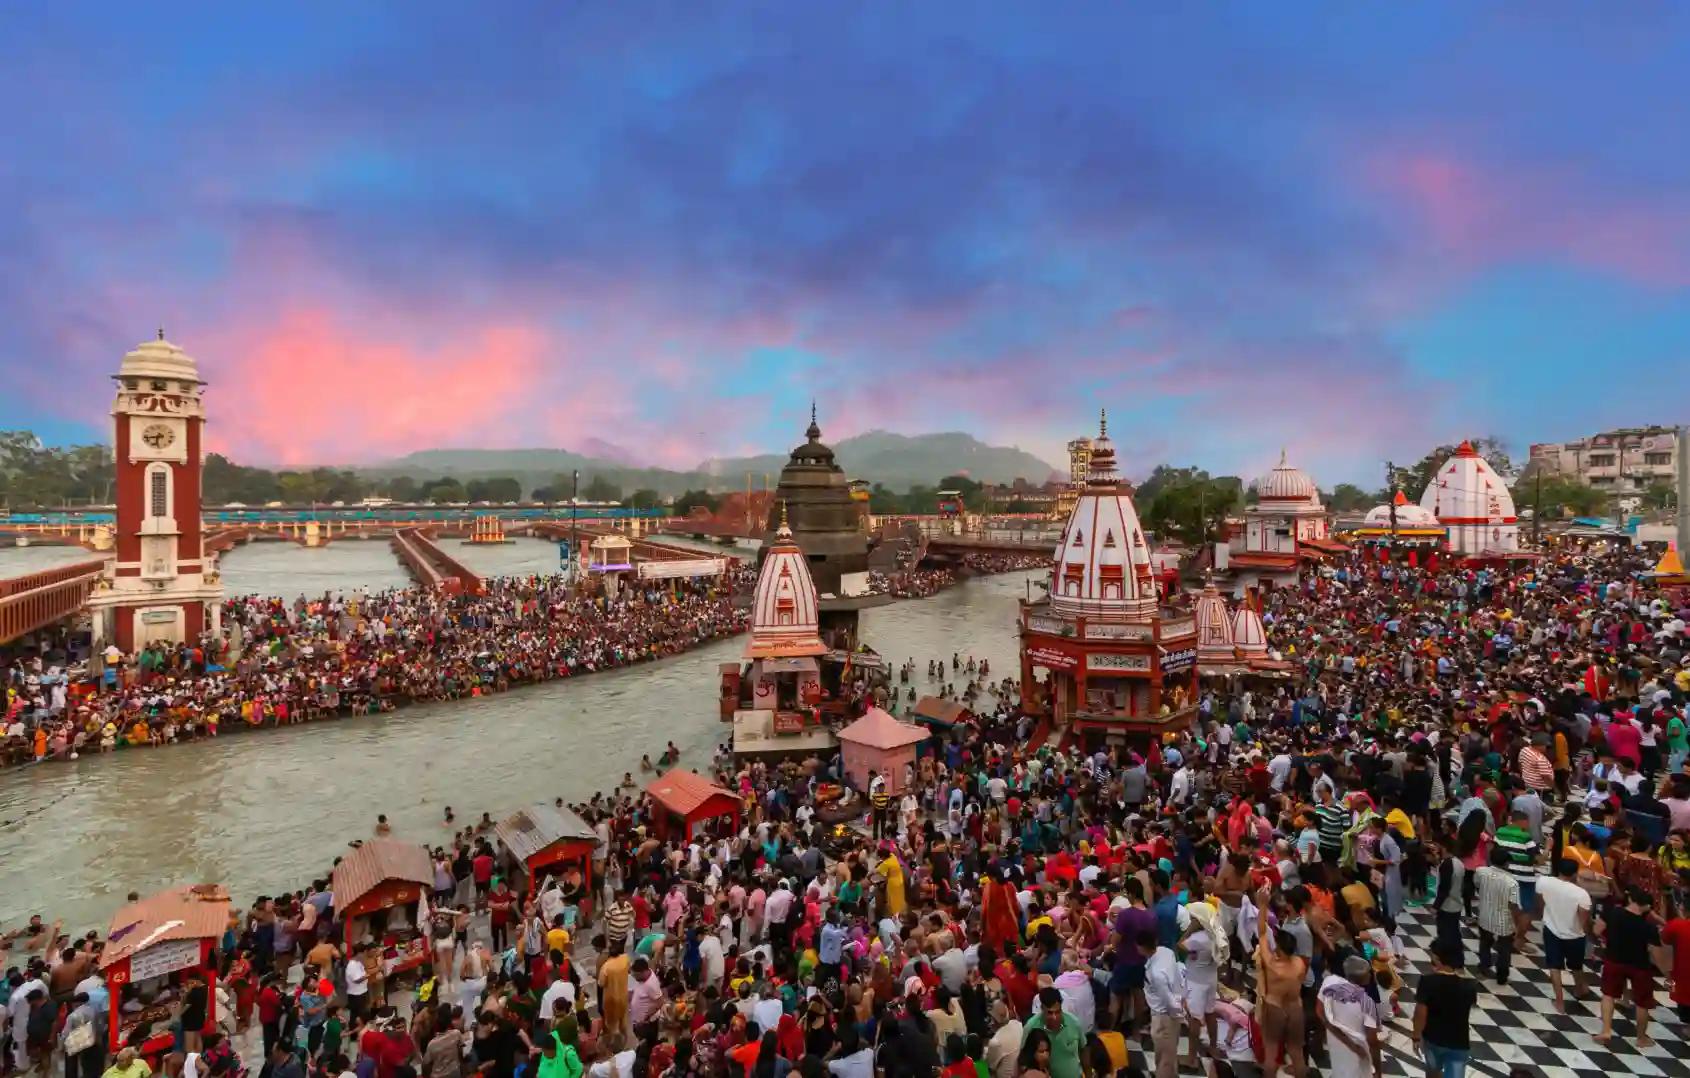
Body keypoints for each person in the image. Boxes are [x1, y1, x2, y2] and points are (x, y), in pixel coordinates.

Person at [1597, 885, 1662, 1048]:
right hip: (1640, 966)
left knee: (1608, 995)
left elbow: (1597, 930)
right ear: (1646, 907)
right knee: (1642, 1003)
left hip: (1613, 960)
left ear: (1631, 899)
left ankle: (1606, 1030)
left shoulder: (1612, 912)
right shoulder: (1649, 927)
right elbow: (1655, 951)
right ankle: (1641, 1038)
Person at [1535, 858, 1593, 1013]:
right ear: (1575, 873)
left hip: (1551, 930)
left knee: (1554, 966)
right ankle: (1580, 988)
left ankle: (1559, 1002)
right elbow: (1584, 919)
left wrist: (1545, 915)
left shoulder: (1543, 881)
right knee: (1576, 965)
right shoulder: (1581, 894)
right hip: (1575, 935)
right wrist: (1588, 934)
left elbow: (1540, 902)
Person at [1413, 940, 1476, 1078]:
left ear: (1437, 959)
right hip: (1459, 1042)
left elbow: (1420, 1013)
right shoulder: (1470, 986)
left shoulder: (1427, 982)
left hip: (1434, 1039)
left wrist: (1416, 1036)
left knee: (1433, 1071)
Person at [1314, 956, 1378, 1078]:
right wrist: (1378, 1071)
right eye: (1369, 972)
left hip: (1335, 1043)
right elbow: (1373, 1041)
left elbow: (1319, 1010)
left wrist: (1330, 1026)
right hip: (1359, 1051)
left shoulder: (1330, 981)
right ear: (1364, 977)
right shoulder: (1367, 1003)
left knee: (1339, 1071)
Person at [1021, 989, 1083, 1078]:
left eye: (1057, 1012)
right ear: (1042, 1008)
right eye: (1050, 1013)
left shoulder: (1073, 1023)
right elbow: (1023, 1057)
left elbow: (1084, 1049)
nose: (1054, 1017)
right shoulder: (1031, 1027)